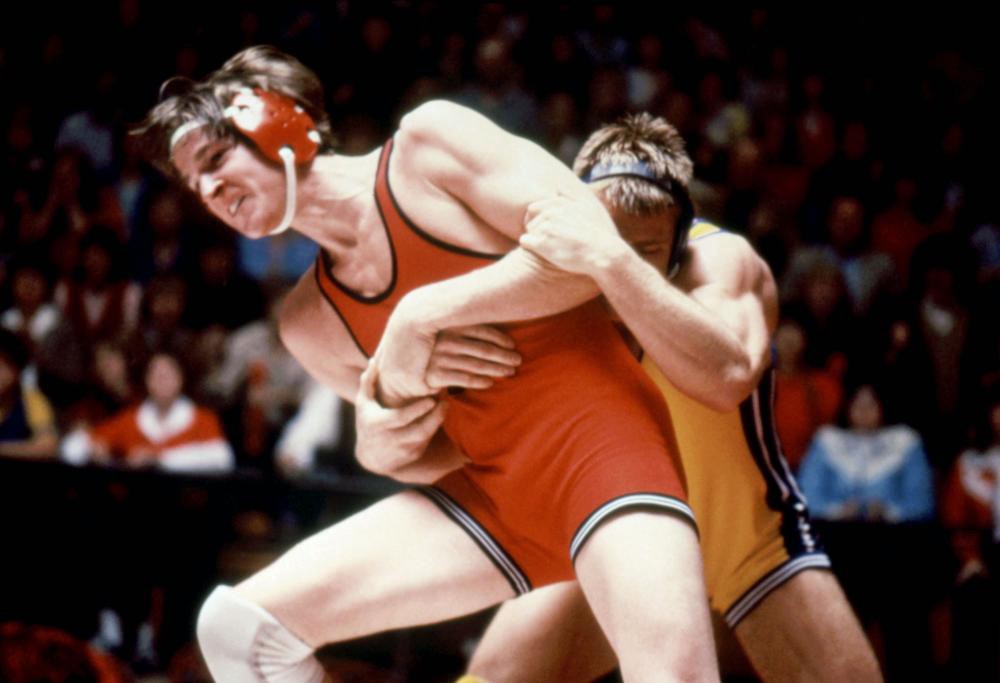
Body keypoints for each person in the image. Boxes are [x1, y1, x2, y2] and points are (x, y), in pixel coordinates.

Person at [131, 46, 717, 682]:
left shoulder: (427, 148)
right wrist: (381, 440)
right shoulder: (308, 323)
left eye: (216, 161)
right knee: (239, 629)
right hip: (494, 502)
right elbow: (427, 453)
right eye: (195, 184)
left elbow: (597, 248)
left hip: (605, 454)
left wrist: (422, 315)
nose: (209, 191)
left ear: (277, 120)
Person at [458, 114, 881, 682]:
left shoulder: (722, 262)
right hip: (622, 525)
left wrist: (610, 261)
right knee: (494, 676)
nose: (626, 258)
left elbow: (729, 373)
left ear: (680, 237)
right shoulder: (554, 269)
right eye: (612, 239)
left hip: (747, 545)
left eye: (647, 248)